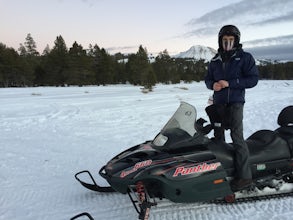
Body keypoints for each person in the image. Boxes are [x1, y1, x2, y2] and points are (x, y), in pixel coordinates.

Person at [204, 25, 259, 190]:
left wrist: (231, 83)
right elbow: (207, 80)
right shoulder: (215, 60)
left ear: (236, 40)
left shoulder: (244, 57)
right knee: (218, 137)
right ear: (220, 41)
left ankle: (244, 176)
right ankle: (219, 173)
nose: (227, 42)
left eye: (230, 39)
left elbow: (253, 79)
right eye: (224, 40)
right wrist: (213, 84)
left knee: (237, 138)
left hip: (235, 103)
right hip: (218, 104)